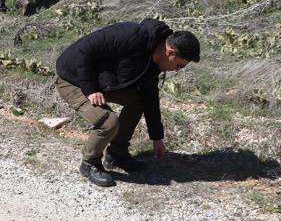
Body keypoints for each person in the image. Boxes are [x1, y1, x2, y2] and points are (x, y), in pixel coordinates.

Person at [55, 18, 200, 187]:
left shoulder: (154, 63)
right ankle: (90, 163)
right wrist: (90, 89)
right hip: (72, 78)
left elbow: (150, 99)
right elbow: (85, 50)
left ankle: (117, 153)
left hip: (100, 82)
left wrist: (157, 138)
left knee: (138, 102)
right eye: (179, 66)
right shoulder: (132, 35)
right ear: (170, 52)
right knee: (108, 121)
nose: (177, 70)